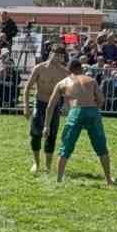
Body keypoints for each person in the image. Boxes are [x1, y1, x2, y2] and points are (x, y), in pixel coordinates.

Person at [48, 64, 114, 186]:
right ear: (81, 69)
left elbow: (51, 105)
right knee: (101, 147)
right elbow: (101, 99)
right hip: (92, 111)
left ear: (69, 70)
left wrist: (47, 125)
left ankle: (59, 179)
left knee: (66, 146)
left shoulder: (63, 82)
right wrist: (94, 110)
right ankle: (109, 179)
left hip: (76, 111)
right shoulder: (91, 80)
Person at [22, 45, 69, 173]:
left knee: (51, 135)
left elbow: (68, 91)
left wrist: (66, 104)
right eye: (56, 53)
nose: (58, 57)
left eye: (60, 55)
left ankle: (48, 165)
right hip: (40, 103)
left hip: (54, 106)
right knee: (36, 134)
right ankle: (36, 163)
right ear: (50, 53)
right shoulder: (40, 68)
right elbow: (27, 88)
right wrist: (26, 106)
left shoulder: (65, 72)